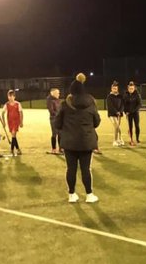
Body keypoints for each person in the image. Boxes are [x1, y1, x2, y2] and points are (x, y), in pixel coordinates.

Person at [54, 73, 101, 203]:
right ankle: (89, 195)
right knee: (86, 169)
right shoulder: (91, 102)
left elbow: (57, 123)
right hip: (86, 141)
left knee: (71, 169)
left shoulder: (65, 104)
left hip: (69, 142)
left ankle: (71, 194)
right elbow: (97, 122)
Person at [3, 89, 23, 155]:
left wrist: (21, 122)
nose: (10, 98)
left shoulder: (18, 104)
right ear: (7, 97)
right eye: (9, 96)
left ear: (14, 97)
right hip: (10, 121)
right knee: (13, 136)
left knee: (13, 134)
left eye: (12, 96)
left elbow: (21, 113)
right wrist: (4, 122)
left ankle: (13, 150)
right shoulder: (6, 104)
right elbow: (3, 113)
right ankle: (16, 149)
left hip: (16, 121)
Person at [123, 80, 142, 145]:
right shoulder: (125, 95)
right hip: (128, 114)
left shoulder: (137, 94)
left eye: (132, 88)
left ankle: (137, 139)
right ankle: (131, 140)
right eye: (130, 88)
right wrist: (125, 112)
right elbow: (124, 104)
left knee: (137, 126)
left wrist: (134, 110)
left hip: (135, 113)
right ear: (128, 88)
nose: (131, 89)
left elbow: (139, 104)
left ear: (134, 88)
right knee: (130, 127)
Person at [106, 81, 125, 146]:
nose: (115, 89)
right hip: (112, 114)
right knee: (116, 126)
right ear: (111, 89)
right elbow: (110, 106)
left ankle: (120, 139)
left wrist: (120, 111)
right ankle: (115, 140)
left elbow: (122, 104)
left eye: (116, 88)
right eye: (113, 88)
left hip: (119, 114)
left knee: (117, 127)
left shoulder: (120, 96)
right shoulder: (109, 97)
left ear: (117, 89)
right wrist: (116, 112)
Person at [46, 87, 63, 153]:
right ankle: (54, 149)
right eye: (57, 93)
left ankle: (61, 148)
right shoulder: (49, 100)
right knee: (54, 134)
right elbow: (51, 111)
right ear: (52, 93)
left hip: (59, 119)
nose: (59, 94)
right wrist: (59, 115)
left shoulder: (58, 100)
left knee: (60, 134)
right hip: (54, 119)